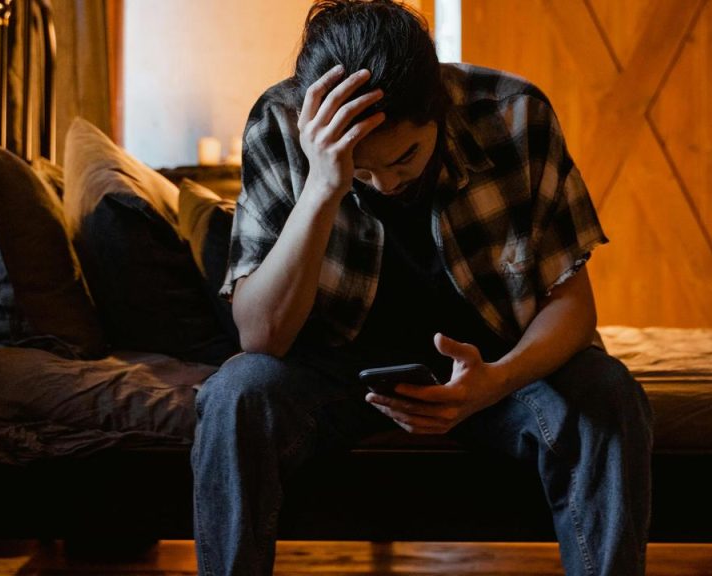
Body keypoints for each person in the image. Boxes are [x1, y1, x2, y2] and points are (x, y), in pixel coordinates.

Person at [191, 1, 653, 574]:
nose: (385, 184)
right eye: (362, 171)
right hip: (334, 370)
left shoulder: (515, 115)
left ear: (440, 108)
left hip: (493, 367)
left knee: (607, 391)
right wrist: (324, 186)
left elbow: (573, 306)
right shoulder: (279, 125)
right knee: (235, 394)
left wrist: (495, 381)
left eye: (404, 157)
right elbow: (261, 337)